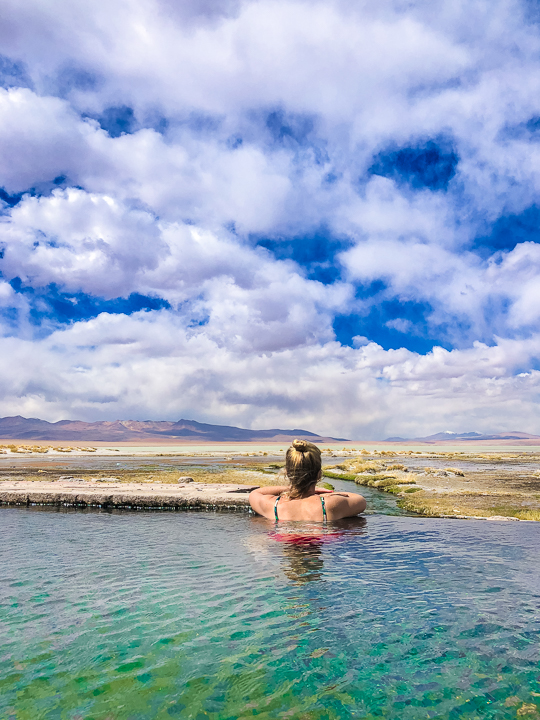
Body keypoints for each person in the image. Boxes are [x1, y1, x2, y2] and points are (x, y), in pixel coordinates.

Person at [249, 439, 366, 522]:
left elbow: (255, 493)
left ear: (287, 473)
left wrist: (290, 489)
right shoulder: (330, 504)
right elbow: (360, 500)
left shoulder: (273, 505)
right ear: (319, 475)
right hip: (316, 552)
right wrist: (324, 492)